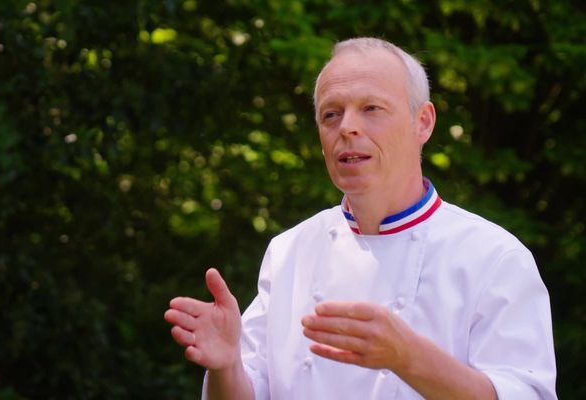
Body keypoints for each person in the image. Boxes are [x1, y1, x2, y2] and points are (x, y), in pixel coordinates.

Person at [164, 37, 557, 399]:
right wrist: (226, 364)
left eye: (371, 108)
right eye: (331, 114)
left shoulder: (494, 256)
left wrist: (407, 357)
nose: (347, 127)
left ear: (423, 122)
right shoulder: (289, 251)